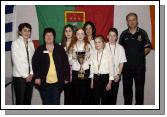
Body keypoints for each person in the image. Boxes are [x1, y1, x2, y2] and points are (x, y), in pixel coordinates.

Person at [119, 12, 151, 105]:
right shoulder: (123, 34)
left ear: (137, 21)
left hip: (139, 68)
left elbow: (148, 47)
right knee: (127, 92)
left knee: (139, 92)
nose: (132, 22)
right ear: (127, 22)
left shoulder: (143, 32)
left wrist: (139, 55)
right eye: (129, 20)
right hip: (126, 69)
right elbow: (120, 51)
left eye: (133, 20)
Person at [32, 27, 70, 105]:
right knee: (46, 103)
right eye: (47, 35)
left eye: (51, 35)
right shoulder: (39, 49)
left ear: (54, 37)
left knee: (55, 103)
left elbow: (66, 64)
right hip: (43, 83)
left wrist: (66, 77)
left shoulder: (60, 49)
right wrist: (36, 77)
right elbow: (35, 64)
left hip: (57, 83)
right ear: (44, 37)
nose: (49, 37)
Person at [11, 23, 35, 105]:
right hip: (19, 77)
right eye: (25, 30)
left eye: (29, 31)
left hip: (30, 76)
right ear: (20, 32)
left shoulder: (31, 43)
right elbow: (16, 61)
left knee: (28, 101)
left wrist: (31, 73)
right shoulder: (15, 44)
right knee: (20, 101)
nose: (27, 33)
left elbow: (33, 60)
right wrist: (25, 75)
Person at [68, 28, 91, 105]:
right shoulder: (72, 46)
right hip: (75, 72)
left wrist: (87, 56)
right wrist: (73, 57)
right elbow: (69, 62)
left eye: (82, 33)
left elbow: (92, 61)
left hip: (85, 71)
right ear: (75, 35)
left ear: (84, 35)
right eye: (78, 33)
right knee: (76, 95)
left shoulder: (88, 45)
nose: (80, 35)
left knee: (85, 95)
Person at [90, 35, 114, 105]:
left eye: (99, 42)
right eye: (95, 42)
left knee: (105, 100)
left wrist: (110, 83)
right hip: (96, 78)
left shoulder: (108, 54)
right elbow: (92, 68)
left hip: (105, 78)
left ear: (103, 43)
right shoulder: (93, 54)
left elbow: (111, 69)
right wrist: (92, 81)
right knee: (95, 99)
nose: (97, 44)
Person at [106, 28, 127, 105]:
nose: (112, 37)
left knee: (113, 98)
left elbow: (122, 62)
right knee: (105, 98)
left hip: (116, 76)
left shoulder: (120, 48)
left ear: (116, 37)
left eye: (114, 35)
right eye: (110, 35)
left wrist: (119, 74)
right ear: (107, 36)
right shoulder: (104, 46)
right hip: (106, 76)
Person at [61, 24, 75, 105]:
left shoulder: (76, 43)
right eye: (66, 31)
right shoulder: (61, 45)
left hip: (75, 72)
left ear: (73, 32)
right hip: (65, 73)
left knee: (75, 95)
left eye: (70, 31)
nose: (68, 33)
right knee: (67, 94)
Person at [83, 21, 96, 104]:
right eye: (86, 28)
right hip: (83, 68)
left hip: (93, 69)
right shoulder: (81, 40)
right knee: (84, 92)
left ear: (93, 29)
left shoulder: (96, 41)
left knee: (93, 92)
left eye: (90, 28)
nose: (88, 30)